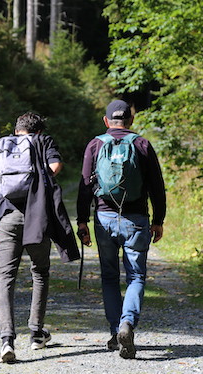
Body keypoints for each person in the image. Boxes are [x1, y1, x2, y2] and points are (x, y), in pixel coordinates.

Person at [0, 112, 79, 363]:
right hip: (37, 218)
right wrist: (38, 178)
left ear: (16, 131)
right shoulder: (43, 142)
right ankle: (36, 333)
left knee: (5, 276)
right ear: (37, 131)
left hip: (6, 219)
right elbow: (56, 166)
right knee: (39, 271)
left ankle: (6, 340)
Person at [76, 100, 166, 359]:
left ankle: (116, 331)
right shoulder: (142, 144)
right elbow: (157, 187)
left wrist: (82, 221)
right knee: (136, 277)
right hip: (136, 219)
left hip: (104, 219)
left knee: (109, 277)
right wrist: (158, 219)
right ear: (131, 121)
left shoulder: (95, 144)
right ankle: (128, 323)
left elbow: (84, 186)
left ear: (106, 121)